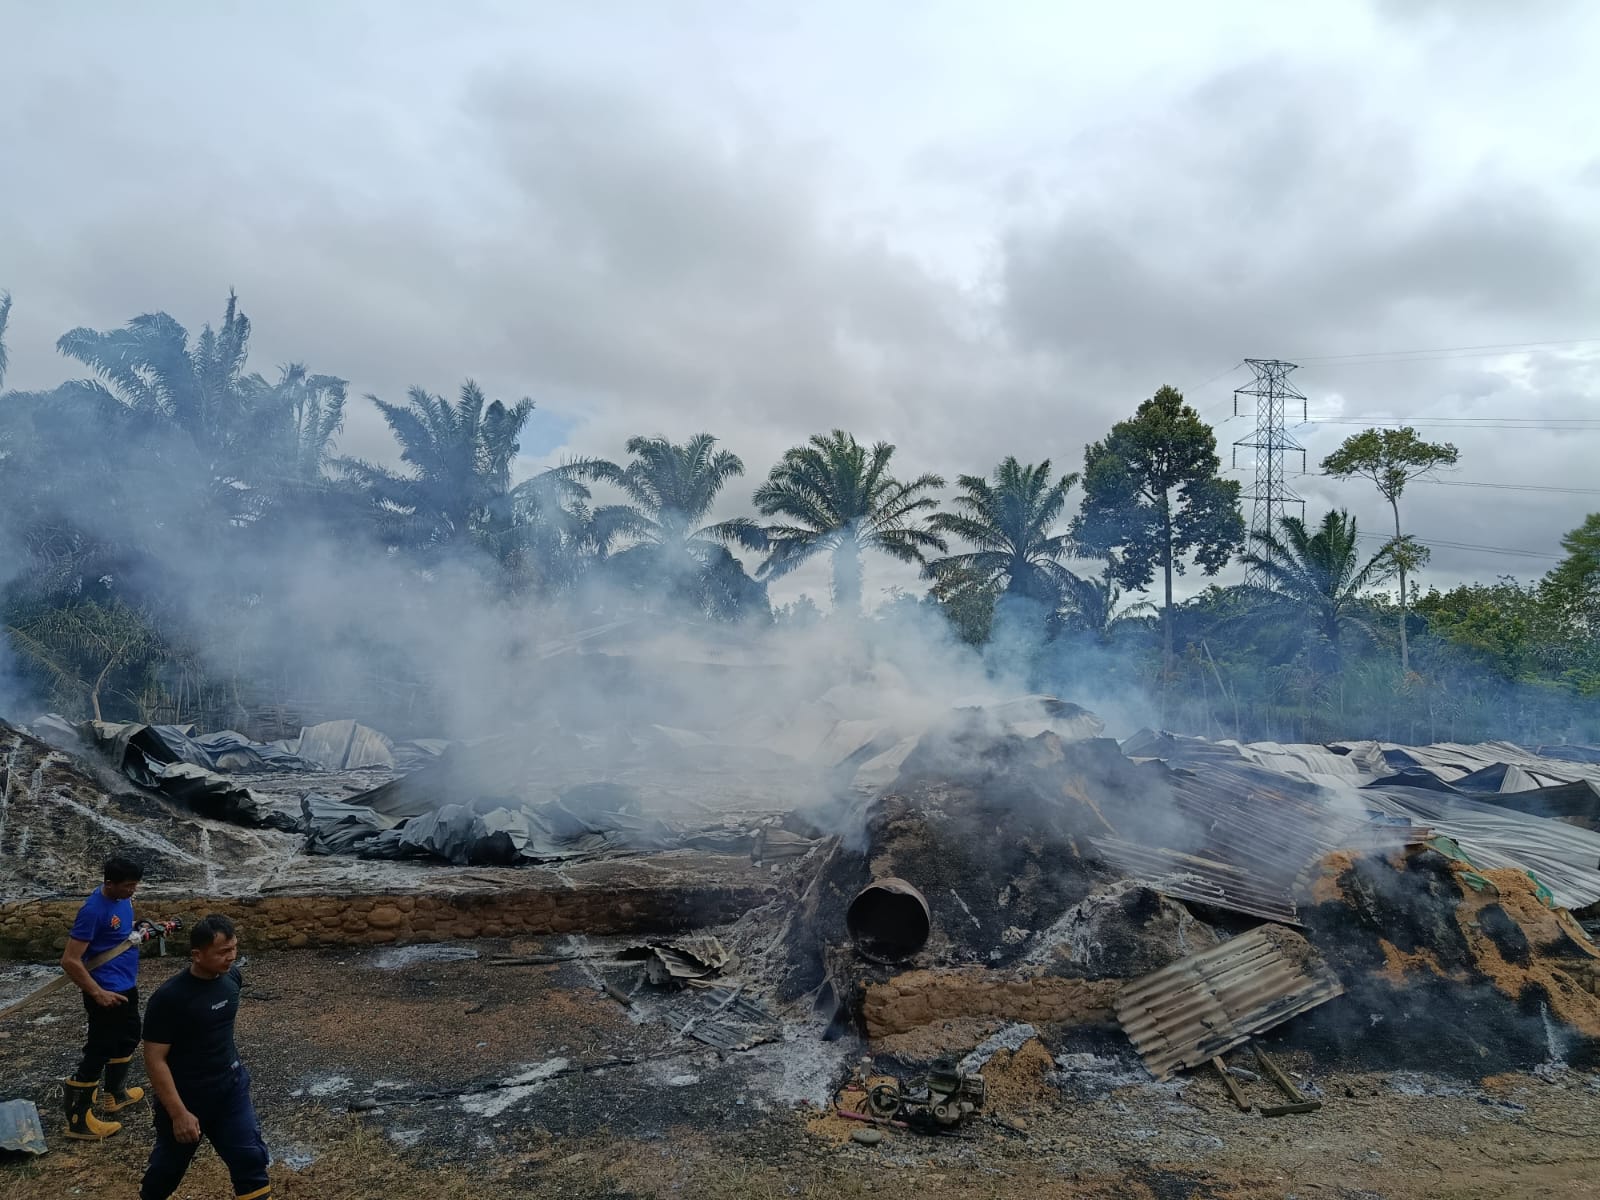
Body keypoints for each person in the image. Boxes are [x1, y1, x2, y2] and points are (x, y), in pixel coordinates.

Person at [139, 914, 271, 1200]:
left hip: (230, 1090)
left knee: (251, 1161)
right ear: (197, 955)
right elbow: (154, 1059)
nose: (231, 957)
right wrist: (178, 1113)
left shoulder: (232, 978)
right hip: (188, 1098)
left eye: (234, 948)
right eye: (223, 952)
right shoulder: (169, 998)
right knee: (166, 1172)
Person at [60, 854, 147, 1140]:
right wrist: (97, 993)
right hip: (105, 990)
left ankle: (115, 1095)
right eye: (128, 886)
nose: (132, 891)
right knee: (99, 1049)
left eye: (135, 885)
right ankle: (78, 1119)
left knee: (129, 1037)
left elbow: (118, 936)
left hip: (125, 985)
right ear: (109, 884)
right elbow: (71, 960)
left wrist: (139, 931)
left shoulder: (124, 901)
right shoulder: (93, 910)